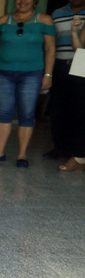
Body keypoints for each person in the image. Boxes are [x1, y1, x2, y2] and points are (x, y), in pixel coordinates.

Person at [0, 0, 56, 168]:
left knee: (26, 114)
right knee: (4, 113)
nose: (22, 1)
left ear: (35, 0)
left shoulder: (45, 20)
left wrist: (48, 75)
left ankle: (22, 155)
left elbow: (50, 50)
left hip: (32, 75)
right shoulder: (3, 21)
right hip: (4, 74)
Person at [45, 0, 85, 160]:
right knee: (58, 109)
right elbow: (49, 44)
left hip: (82, 64)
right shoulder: (57, 14)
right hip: (60, 64)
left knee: (78, 110)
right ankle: (59, 148)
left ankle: (76, 152)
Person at [57, 16, 85, 172]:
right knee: (80, 113)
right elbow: (79, 49)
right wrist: (74, 32)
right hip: (84, 66)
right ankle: (80, 157)